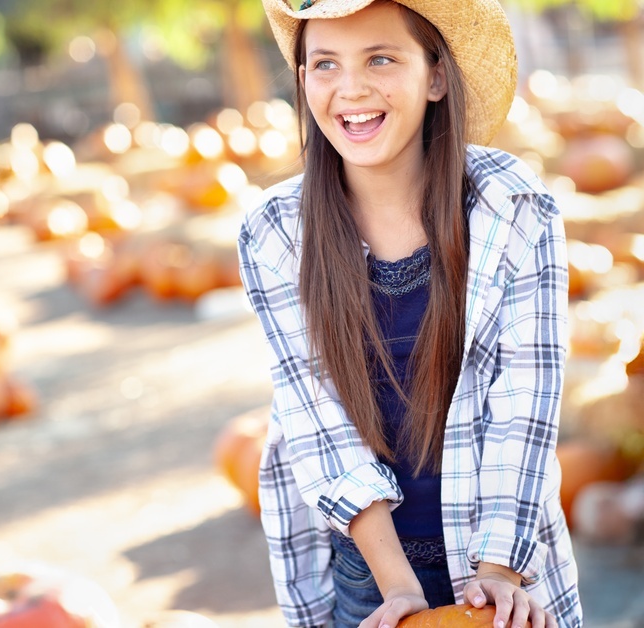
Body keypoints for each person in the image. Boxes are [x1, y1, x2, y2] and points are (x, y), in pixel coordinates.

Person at [237, 0, 581, 626]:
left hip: (501, 562)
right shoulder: (276, 231)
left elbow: (525, 400)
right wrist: (396, 586)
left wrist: (497, 573)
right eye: (324, 64)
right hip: (367, 573)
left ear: (436, 76)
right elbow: (315, 415)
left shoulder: (515, 207)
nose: (351, 89)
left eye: (381, 58)